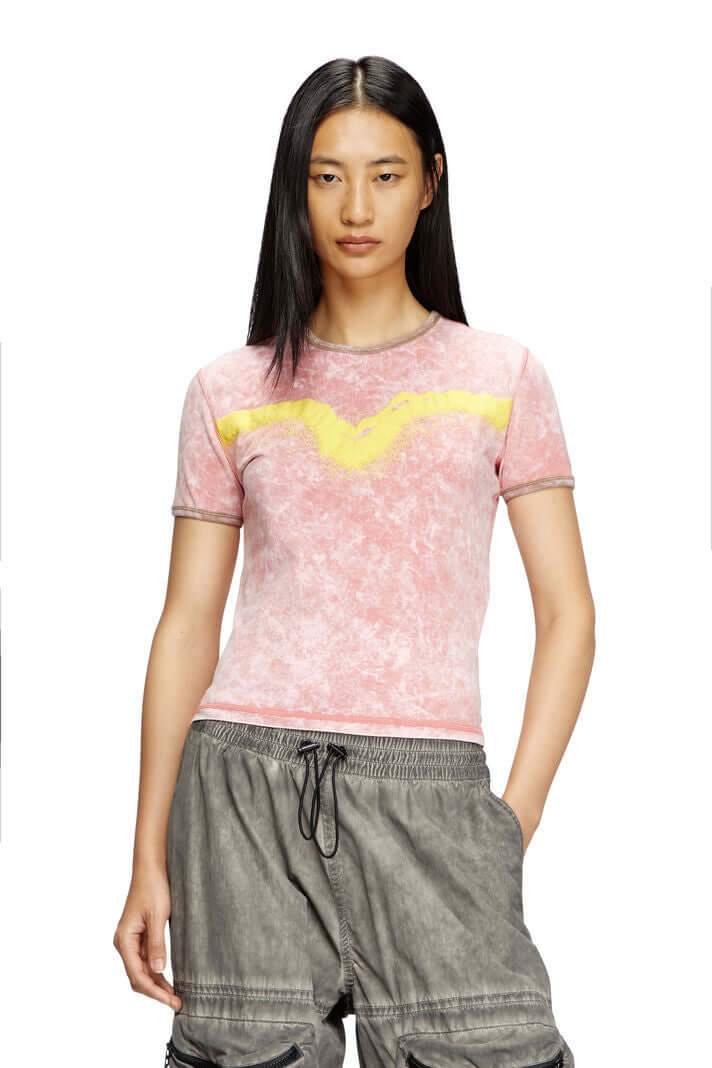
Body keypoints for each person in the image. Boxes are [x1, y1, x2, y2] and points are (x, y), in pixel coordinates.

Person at [113, 56, 594, 1068]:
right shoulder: (228, 389)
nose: (356, 207)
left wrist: (510, 822)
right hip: (240, 792)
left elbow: (568, 614)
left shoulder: (501, 377)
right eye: (326, 176)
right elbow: (187, 623)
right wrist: (147, 854)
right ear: (294, 189)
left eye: (385, 174)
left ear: (430, 181)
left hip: (434, 794)